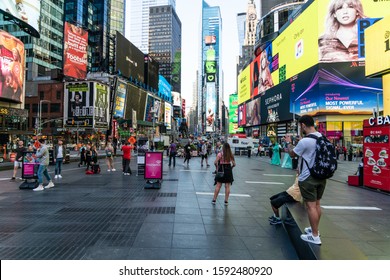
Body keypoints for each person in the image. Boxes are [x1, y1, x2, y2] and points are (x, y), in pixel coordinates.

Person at [285, 115, 327, 245]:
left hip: (308, 177)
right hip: (321, 176)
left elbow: (292, 153)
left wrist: (288, 142)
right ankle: (315, 230)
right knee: (317, 204)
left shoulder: (305, 141)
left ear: (303, 125)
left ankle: (314, 236)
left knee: (310, 206)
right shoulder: (321, 137)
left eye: (300, 126)